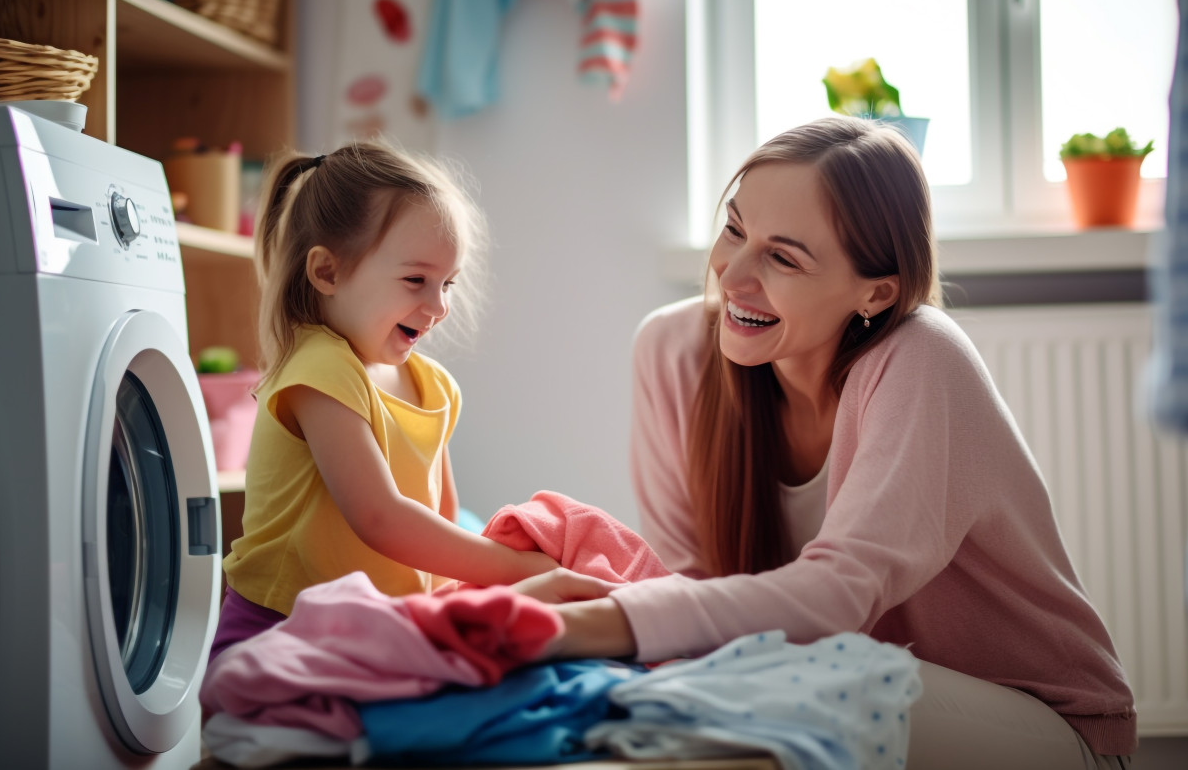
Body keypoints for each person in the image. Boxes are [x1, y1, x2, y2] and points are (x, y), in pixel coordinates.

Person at [523, 116, 1137, 769]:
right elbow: (690, 591)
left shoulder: (922, 356)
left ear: (875, 292)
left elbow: (839, 593)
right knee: (665, 698)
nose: (733, 276)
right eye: (734, 228)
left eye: (783, 257)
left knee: (823, 680)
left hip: (1043, 724)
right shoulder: (672, 350)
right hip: (830, 687)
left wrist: (589, 622)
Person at [210, 140, 561, 663]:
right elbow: (379, 517)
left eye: (449, 284)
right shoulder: (319, 369)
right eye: (416, 280)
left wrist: (495, 582)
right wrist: (515, 571)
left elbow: (441, 521)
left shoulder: (432, 385)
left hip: (372, 626)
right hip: (280, 629)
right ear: (327, 272)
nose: (438, 306)